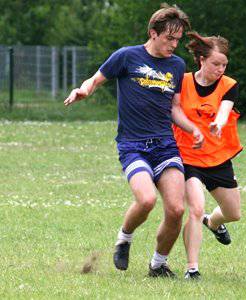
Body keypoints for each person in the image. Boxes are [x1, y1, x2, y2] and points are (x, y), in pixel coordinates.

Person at [64, 4, 204, 278]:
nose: (174, 45)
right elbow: (95, 79)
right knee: (147, 200)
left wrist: (193, 129)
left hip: (165, 145)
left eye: (177, 40)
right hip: (133, 145)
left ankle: (158, 265)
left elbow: (174, 108)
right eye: (169, 38)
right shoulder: (127, 57)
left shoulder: (176, 65)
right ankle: (124, 238)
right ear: (153, 33)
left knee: (176, 209)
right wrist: (84, 90)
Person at [173, 32, 243, 279]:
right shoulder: (181, 82)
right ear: (201, 60)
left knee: (234, 213)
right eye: (216, 64)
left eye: (224, 64)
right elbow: (172, 111)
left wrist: (219, 124)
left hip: (218, 157)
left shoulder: (229, 85)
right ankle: (192, 268)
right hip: (187, 157)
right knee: (195, 208)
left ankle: (212, 223)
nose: (220, 69)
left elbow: (224, 110)